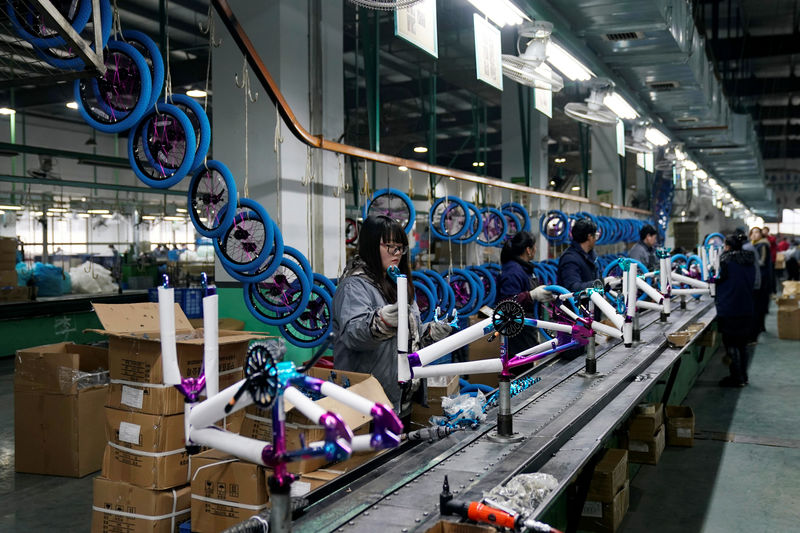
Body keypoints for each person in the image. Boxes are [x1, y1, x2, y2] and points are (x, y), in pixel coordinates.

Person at [332, 215, 451, 417]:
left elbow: (405, 336)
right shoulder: (354, 286)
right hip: (367, 405)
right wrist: (382, 322)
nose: (397, 253)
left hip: (400, 401)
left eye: (401, 248)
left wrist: (429, 332)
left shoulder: (396, 284)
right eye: (390, 246)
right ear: (371, 245)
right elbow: (353, 335)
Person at [496, 231, 554, 355]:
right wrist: (531, 295)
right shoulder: (513, 271)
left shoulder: (524, 269)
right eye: (534, 246)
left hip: (527, 327)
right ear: (528, 250)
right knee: (521, 369)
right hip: (517, 333)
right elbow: (505, 303)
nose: (536, 249)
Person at [715, 233, 756, 387]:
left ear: (728, 247)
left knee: (730, 344)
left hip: (729, 308)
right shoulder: (749, 260)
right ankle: (744, 376)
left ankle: (736, 378)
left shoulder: (726, 261)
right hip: (746, 308)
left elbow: (717, 280)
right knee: (742, 344)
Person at [557, 218, 617, 292]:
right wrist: (601, 283)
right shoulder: (570, 259)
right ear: (589, 237)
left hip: (590, 301)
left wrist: (610, 284)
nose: (596, 239)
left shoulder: (591, 256)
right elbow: (573, 287)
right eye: (596, 236)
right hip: (574, 303)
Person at [749, 227, 772, 337]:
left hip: (763, 279)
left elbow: (762, 262)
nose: (755, 235)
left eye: (757, 232)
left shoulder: (763, 245)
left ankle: (760, 326)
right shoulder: (752, 245)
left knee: (760, 303)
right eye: (753, 233)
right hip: (757, 277)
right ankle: (758, 325)